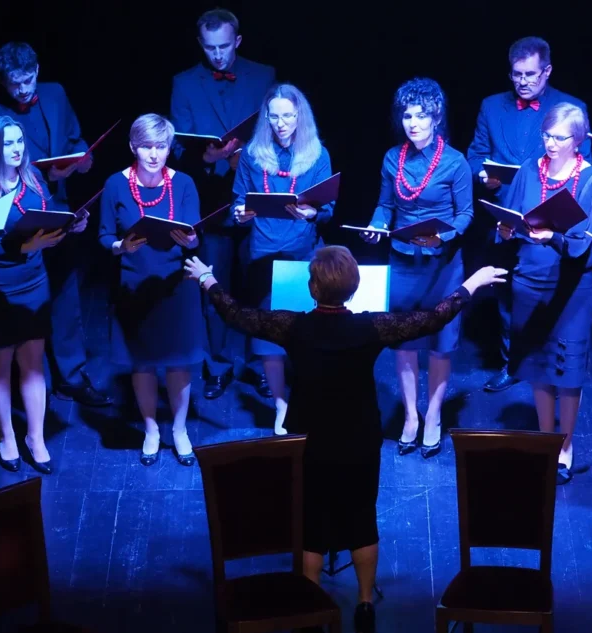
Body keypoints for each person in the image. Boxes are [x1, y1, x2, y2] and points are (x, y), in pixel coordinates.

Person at [185, 247, 507, 633]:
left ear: (312, 287)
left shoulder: (293, 327)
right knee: (361, 518)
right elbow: (431, 320)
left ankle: (311, 605)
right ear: (354, 289)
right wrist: (471, 283)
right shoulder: (369, 329)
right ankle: (366, 603)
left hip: (308, 441)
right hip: (359, 438)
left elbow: (236, 315)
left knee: (312, 526)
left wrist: (207, 278)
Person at [0, 41, 111, 408]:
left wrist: (83, 158)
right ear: (3, 82)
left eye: (29, 78)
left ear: (37, 70)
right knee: (28, 298)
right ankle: (37, 382)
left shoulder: (55, 94)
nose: (24, 89)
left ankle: (71, 375)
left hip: (58, 208)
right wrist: (47, 175)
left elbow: (73, 138)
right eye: (15, 83)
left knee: (66, 292)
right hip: (17, 218)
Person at [466, 36, 592, 394]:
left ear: (547, 71)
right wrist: (483, 177)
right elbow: (475, 154)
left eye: (531, 74)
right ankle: (514, 362)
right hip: (507, 215)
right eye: (517, 75)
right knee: (507, 294)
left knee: (554, 291)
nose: (523, 81)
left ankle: (552, 365)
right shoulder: (492, 107)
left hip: (552, 218)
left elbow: (586, 167)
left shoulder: (571, 107)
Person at [361, 78, 473, 459]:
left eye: (421, 116)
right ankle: (410, 415)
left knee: (441, 344)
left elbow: (466, 213)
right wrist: (377, 224)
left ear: (436, 117)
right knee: (405, 342)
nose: (413, 123)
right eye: (407, 115)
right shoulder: (393, 158)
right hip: (404, 262)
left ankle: (434, 415)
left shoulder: (455, 162)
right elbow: (385, 205)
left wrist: (443, 238)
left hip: (442, 265)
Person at [495, 102, 592, 484]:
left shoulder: (590, 180)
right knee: (540, 367)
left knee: (567, 370)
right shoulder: (529, 169)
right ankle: (547, 438)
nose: (552, 144)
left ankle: (566, 446)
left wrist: (553, 237)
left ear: (578, 140)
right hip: (530, 281)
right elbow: (508, 215)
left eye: (560, 137)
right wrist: (507, 229)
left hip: (571, 287)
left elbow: (583, 244)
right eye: (547, 136)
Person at [170, 8, 276, 400]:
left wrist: (245, 153)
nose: (218, 56)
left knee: (256, 286)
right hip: (210, 200)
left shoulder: (263, 75)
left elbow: (277, 130)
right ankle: (217, 365)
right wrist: (210, 158)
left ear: (238, 41)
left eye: (225, 47)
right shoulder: (183, 83)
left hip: (254, 197)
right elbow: (178, 144)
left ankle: (258, 362)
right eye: (210, 48)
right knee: (213, 287)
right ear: (201, 45)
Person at [98, 114, 205, 466]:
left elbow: (194, 233)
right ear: (133, 147)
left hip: (175, 286)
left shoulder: (185, 183)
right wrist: (119, 247)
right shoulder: (115, 184)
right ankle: (150, 429)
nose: (154, 154)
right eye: (146, 147)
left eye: (161, 146)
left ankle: (178, 429)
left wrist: (191, 239)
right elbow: (102, 237)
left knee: (179, 363)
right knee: (141, 363)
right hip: (134, 284)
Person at [0, 115, 67, 474]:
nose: (17, 149)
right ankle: (7, 435)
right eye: (8, 143)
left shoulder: (32, 179)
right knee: (0, 362)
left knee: (33, 361)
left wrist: (69, 224)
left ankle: (35, 437)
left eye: (19, 141)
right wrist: (24, 247)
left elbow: (49, 216)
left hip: (34, 281)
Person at [231, 83, 334, 435]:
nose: (281, 123)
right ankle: (280, 404)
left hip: (303, 254)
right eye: (274, 116)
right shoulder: (252, 153)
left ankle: (312, 399)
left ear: (299, 116)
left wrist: (312, 214)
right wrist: (240, 213)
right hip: (263, 253)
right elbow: (237, 201)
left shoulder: (318, 154)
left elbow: (328, 208)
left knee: (307, 333)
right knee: (268, 338)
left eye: (288, 115)